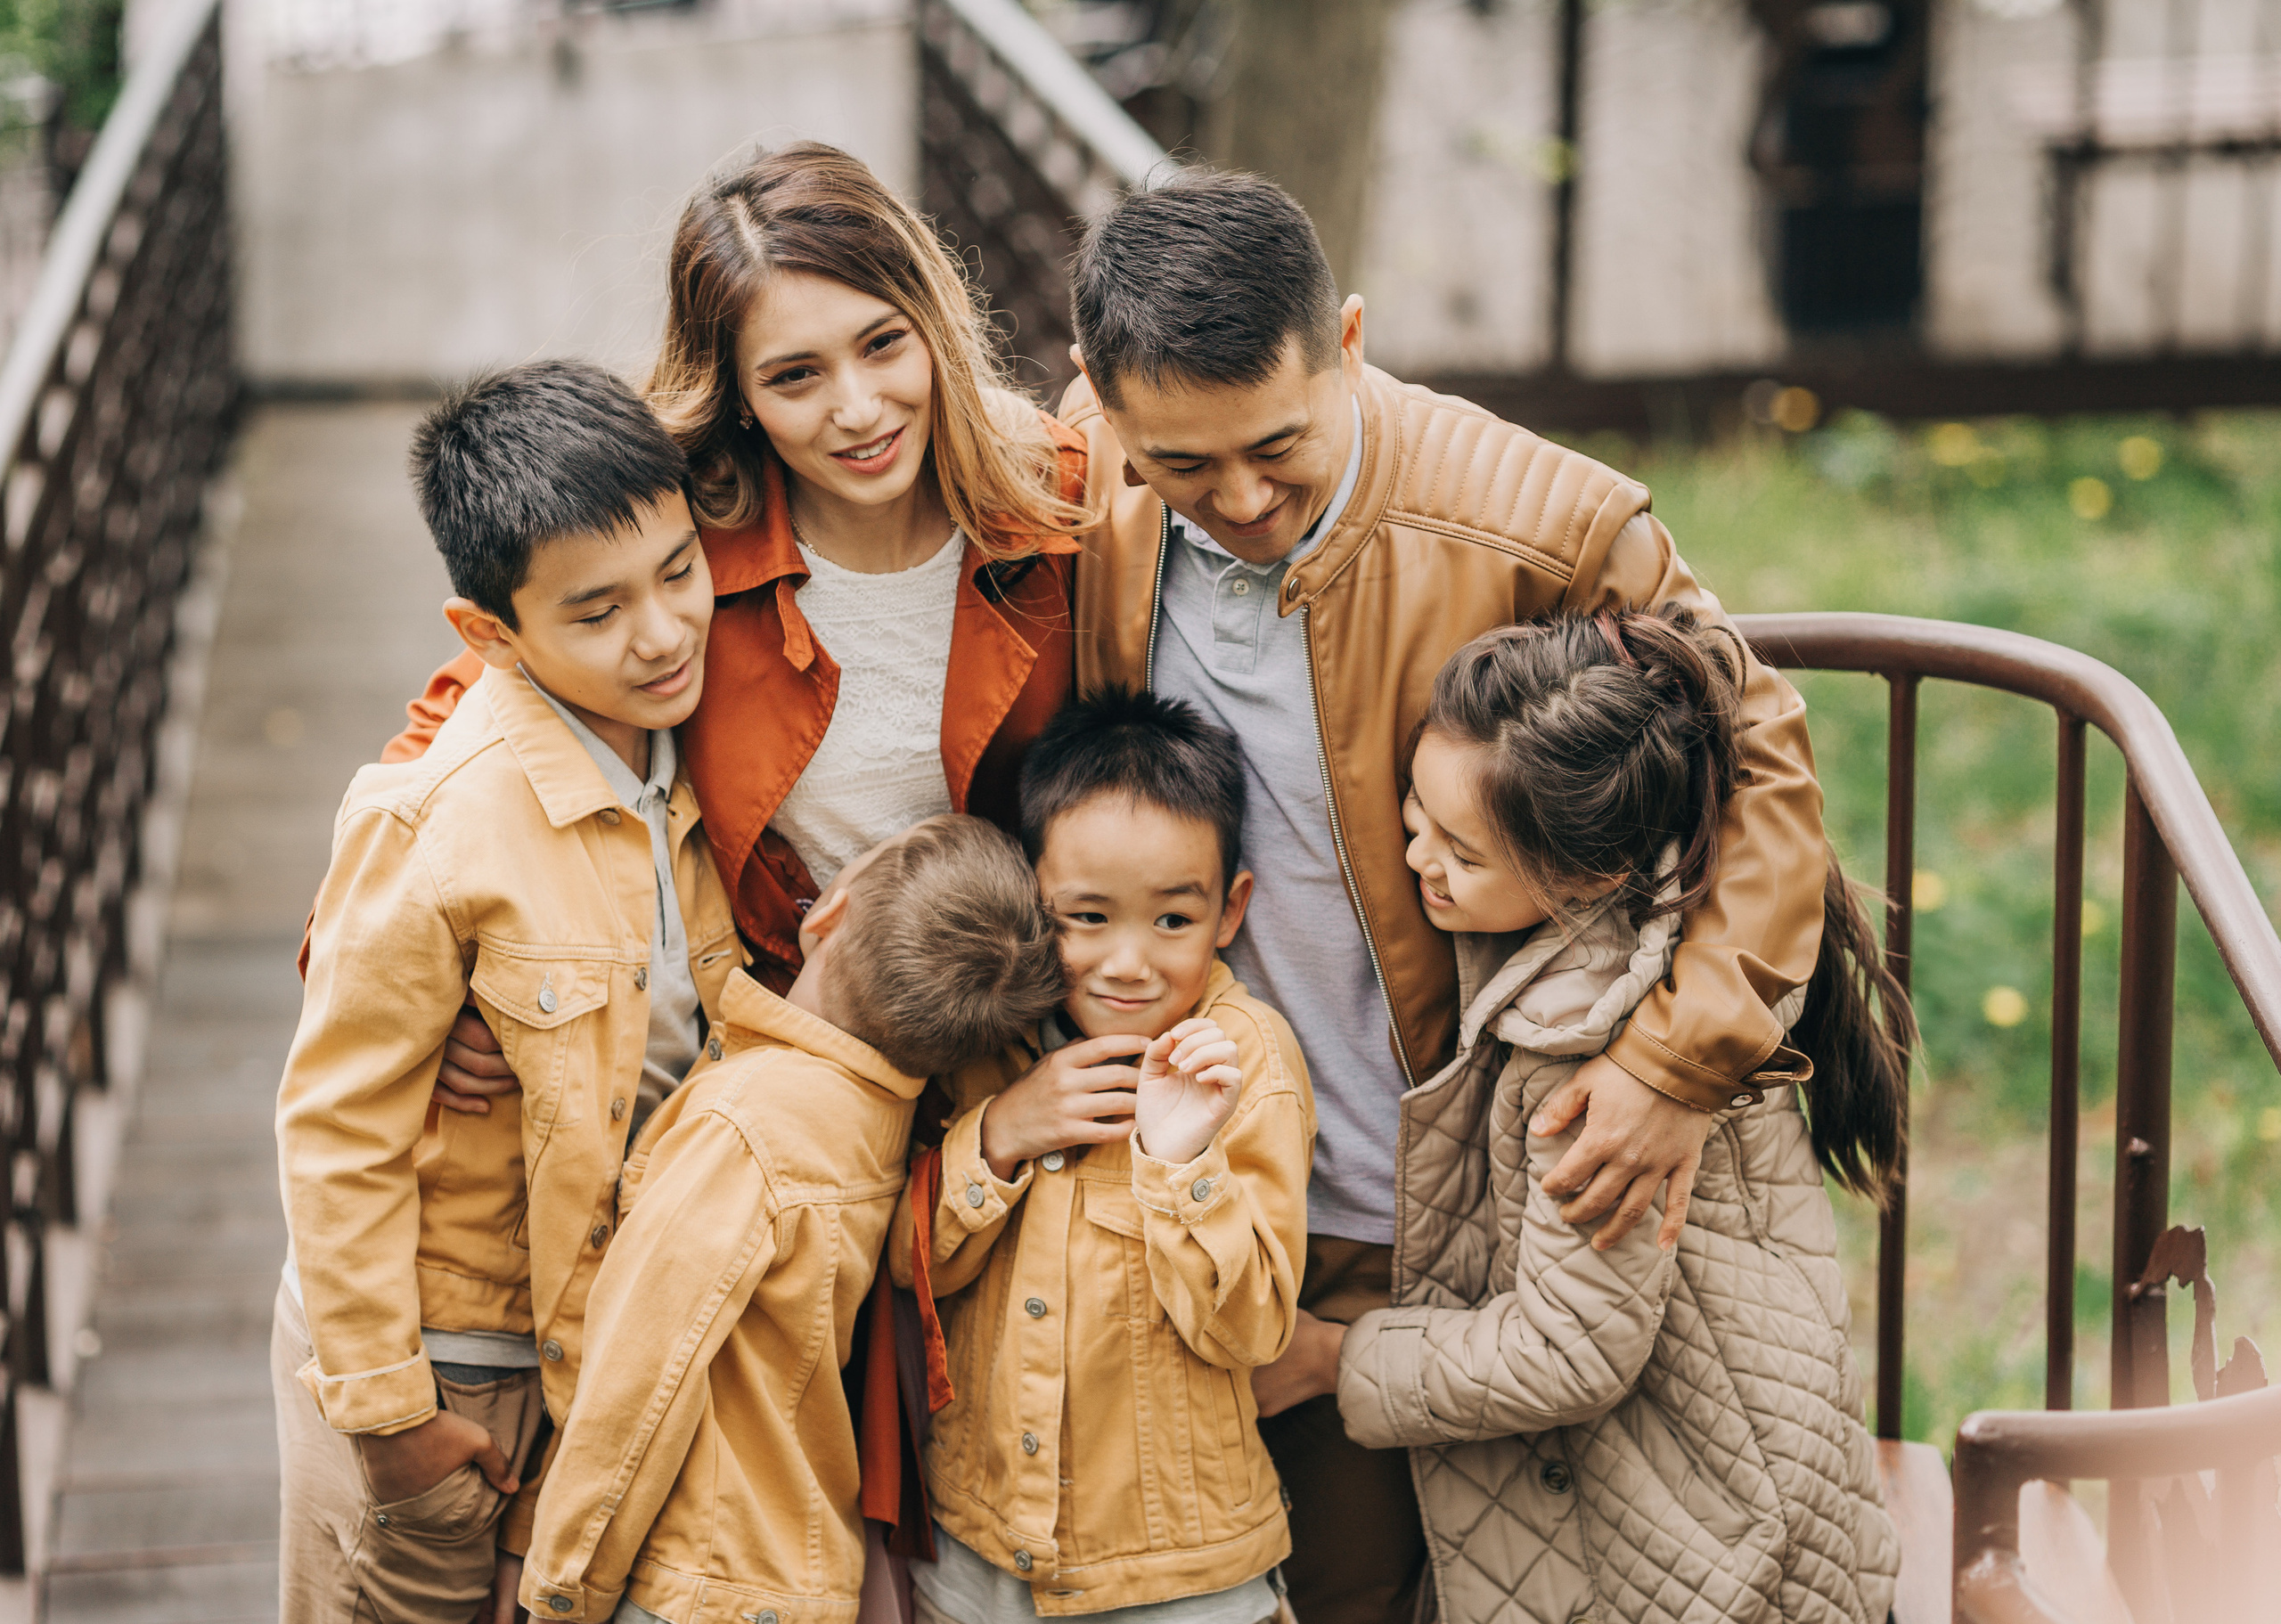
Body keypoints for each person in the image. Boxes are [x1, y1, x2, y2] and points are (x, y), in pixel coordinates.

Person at [1057, 170, 1831, 1623]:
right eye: (1181, 463)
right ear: (1097, 399)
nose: (1237, 501)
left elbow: (1766, 766)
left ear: (1348, 340)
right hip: (1222, 1181)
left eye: (1278, 446)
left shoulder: (1548, 520)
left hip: (1464, 1199)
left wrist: (1679, 1055)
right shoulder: (1079, 484)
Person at [271, 362, 746, 1622]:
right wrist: (392, 1418)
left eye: (680, 572)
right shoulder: (439, 820)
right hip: (450, 1361)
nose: (660, 631)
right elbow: (338, 1126)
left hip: (606, 1338)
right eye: (596, 612)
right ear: (490, 633)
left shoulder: (688, 744)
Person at [1336, 607, 1905, 1624]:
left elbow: (1571, 1347)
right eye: (1414, 814)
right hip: (1762, 1457)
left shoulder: (1580, 1044)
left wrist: (1336, 1359)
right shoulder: (1687, 926)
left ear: (1588, 876)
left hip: (1697, 1545)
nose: (1419, 855)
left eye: (1460, 852)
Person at [515, 814, 1069, 1624]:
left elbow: (640, 1376)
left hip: (693, 1582)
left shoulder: (747, 1126)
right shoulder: (876, 1127)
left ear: (826, 912)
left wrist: (562, 1590)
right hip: (789, 1577)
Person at [887, 690, 1315, 1624]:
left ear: (1229, 908)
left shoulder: (1242, 1062)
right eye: (1086, 917)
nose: (1129, 963)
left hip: (1177, 1575)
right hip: (982, 1549)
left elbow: (1248, 1330)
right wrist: (998, 1134)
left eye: (1171, 920)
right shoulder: (990, 1048)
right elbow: (912, 1267)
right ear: (1033, 901)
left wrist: (1178, 1160)